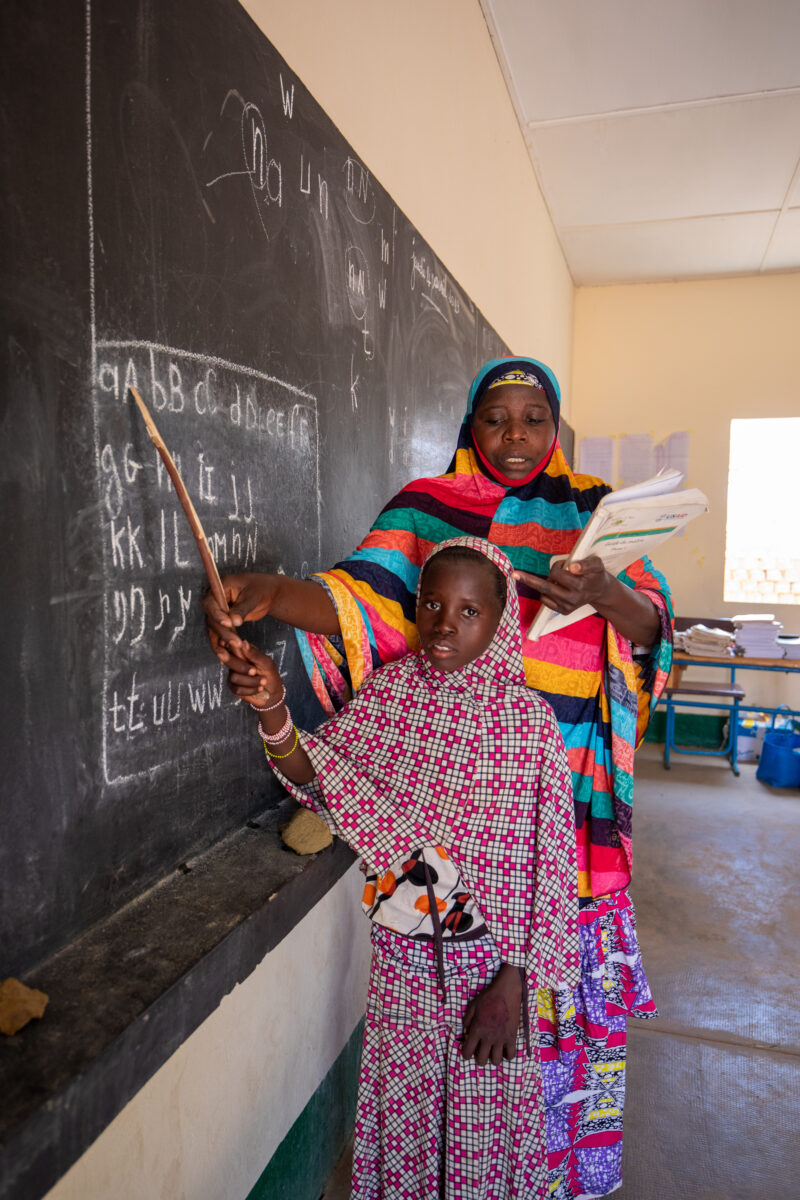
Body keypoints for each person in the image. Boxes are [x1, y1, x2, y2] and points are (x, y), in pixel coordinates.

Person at [205, 356, 674, 1199]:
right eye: (496, 418)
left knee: (524, 1097)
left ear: (555, 427)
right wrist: (274, 596)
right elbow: (364, 601)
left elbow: (649, 634)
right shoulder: (426, 514)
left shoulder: (593, 511)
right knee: (420, 1110)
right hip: (423, 900)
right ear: (471, 425)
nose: (515, 436)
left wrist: (603, 592)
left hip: (556, 820)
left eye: (535, 419)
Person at [226, 537, 579, 1200]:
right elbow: (324, 776)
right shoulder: (393, 696)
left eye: (470, 612)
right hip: (406, 973)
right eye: (433, 604)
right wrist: (273, 707)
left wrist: (512, 987)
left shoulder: (528, 724)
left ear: (499, 623)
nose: (446, 623)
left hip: (492, 978)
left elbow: (553, 868)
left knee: (484, 1139)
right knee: (407, 1132)